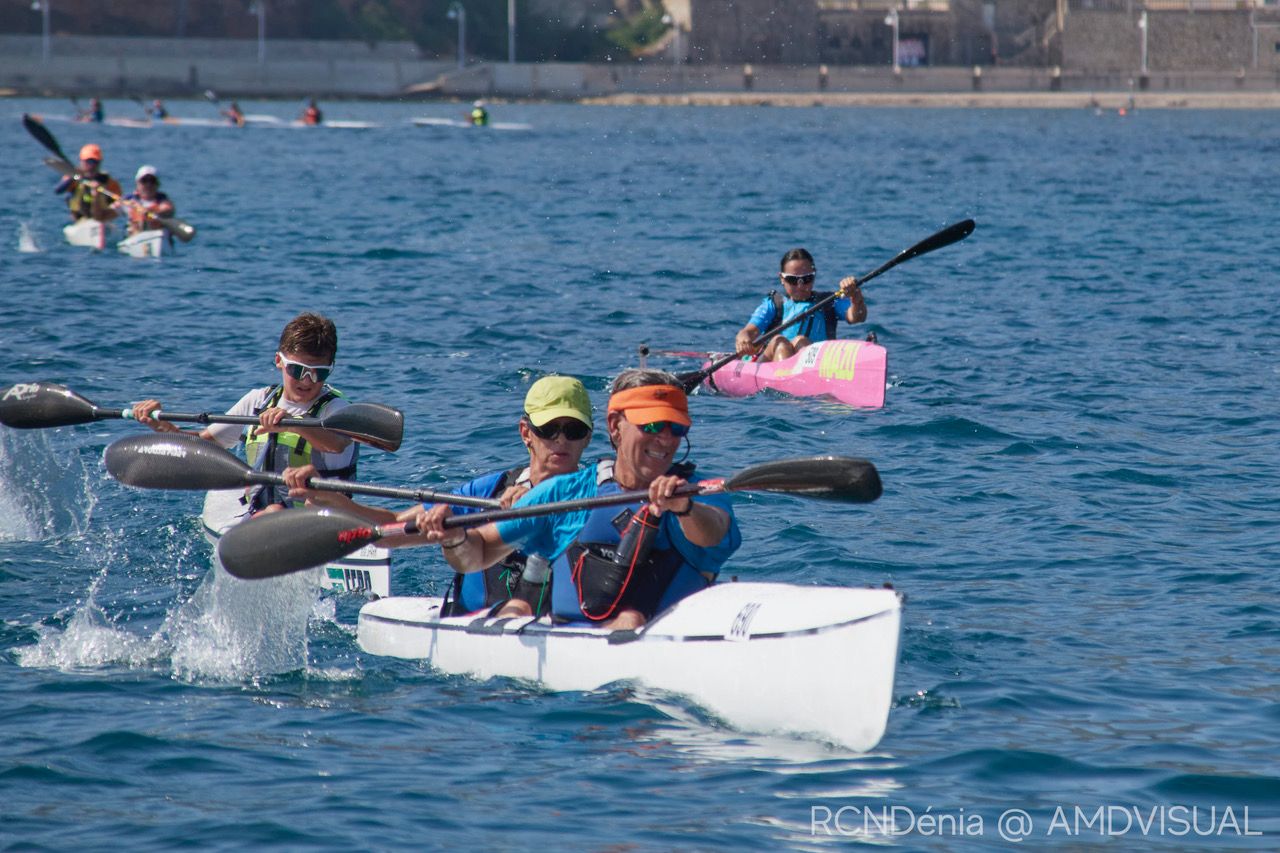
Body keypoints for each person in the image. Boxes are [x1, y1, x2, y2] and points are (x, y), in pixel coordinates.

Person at [418, 369, 741, 631]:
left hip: (661, 648)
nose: (665, 439)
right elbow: (477, 553)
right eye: (652, 425)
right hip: (572, 668)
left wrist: (684, 508)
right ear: (615, 426)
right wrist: (454, 539)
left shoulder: (699, 491)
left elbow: (712, 532)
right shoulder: (567, 493)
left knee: (631, 619)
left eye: (676, 428)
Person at [284, 375, 594, 618]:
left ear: (589, 437)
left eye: (574, 430)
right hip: (474, 629)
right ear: (526, 433)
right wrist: (332, 499)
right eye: (549, 429)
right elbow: (391, 529)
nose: (561, 440)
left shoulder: (601, 496)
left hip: (556, 628)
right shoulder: (489, 491)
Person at [132, 313, 356, 515]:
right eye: (297, 370)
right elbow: (205, 444)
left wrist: (293, 423)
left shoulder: (336, 409)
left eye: (318, 373)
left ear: (331, 368)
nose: (307, 381)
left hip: (323, 516)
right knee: (274, 509)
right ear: (279, 361)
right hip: (266, 511)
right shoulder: (258, 401)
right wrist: (164, 427)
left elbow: (336, 444)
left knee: (276, 510)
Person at [733, 248, 867, 363]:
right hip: (770, 363)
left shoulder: (829, 302)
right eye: (793, 280)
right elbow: (748, 332)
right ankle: (785, 378)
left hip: (813, 364)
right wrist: (743, 340)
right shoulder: (774, 305)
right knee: (780, 342)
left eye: (806, 279)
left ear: (814, 276)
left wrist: (855, 296)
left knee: (802, 342)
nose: (800, 286)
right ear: (782, 278)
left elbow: (857, 317)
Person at [54, 143, 122, 222]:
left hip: (100, 219)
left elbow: (118, 200)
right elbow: (58, 190)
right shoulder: (74, 176)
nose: (92, 166)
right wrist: (73, 177)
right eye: (88, 162)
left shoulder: (106, 180)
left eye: (95, 162)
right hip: (80, 220)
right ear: (81, 162)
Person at [118, 165, 175, 236]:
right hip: (135, 237)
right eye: (144, 180)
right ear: (137, 183)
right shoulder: (127, 201)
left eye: (152, 181)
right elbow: (108, 213)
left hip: (158, 235)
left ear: (157, 184)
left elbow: (167, 209)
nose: (148, 184)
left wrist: (147, 211)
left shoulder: (163, 200)